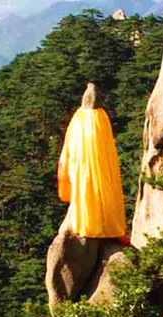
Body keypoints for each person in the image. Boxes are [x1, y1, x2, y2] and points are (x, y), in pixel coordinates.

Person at [57, 82, 126, 239]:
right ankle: (96, 220)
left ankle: (90, 220)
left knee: (88, 177)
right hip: (91, 132)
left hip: (86, 140)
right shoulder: (97, 119)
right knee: (98, 176)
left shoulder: (82, 119)